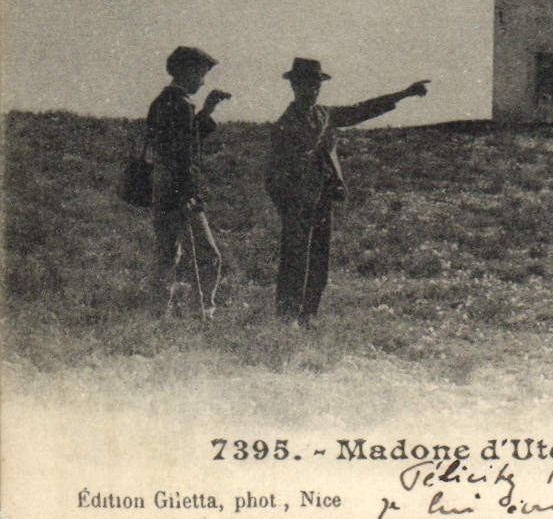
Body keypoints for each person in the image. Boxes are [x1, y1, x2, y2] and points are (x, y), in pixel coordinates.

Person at [266, 58, 428, 326]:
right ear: (294, 86)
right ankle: (287, 317)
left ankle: (309, 314)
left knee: (319, 258)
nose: (312, 90)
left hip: (323, 197)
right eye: (306, 85)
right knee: (295, 258)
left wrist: (404, 93)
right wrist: (287, 206)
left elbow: (363, 109)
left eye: (316, 85)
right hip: (297, 202)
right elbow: (273, 175)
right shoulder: (284, 125)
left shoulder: (326, 115)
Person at [147, 45, 231, 318]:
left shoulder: (163, 102)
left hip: (162, 190)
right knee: (208, 256)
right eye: (201, 74)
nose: (203, 81)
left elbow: (183, 139)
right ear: (186, 71)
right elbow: (184, 153)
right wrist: (188, 195)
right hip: (180, 193)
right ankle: (202, 313)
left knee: (167, 254)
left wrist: (207, 110)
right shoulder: (180, 105)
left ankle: (158, 313)